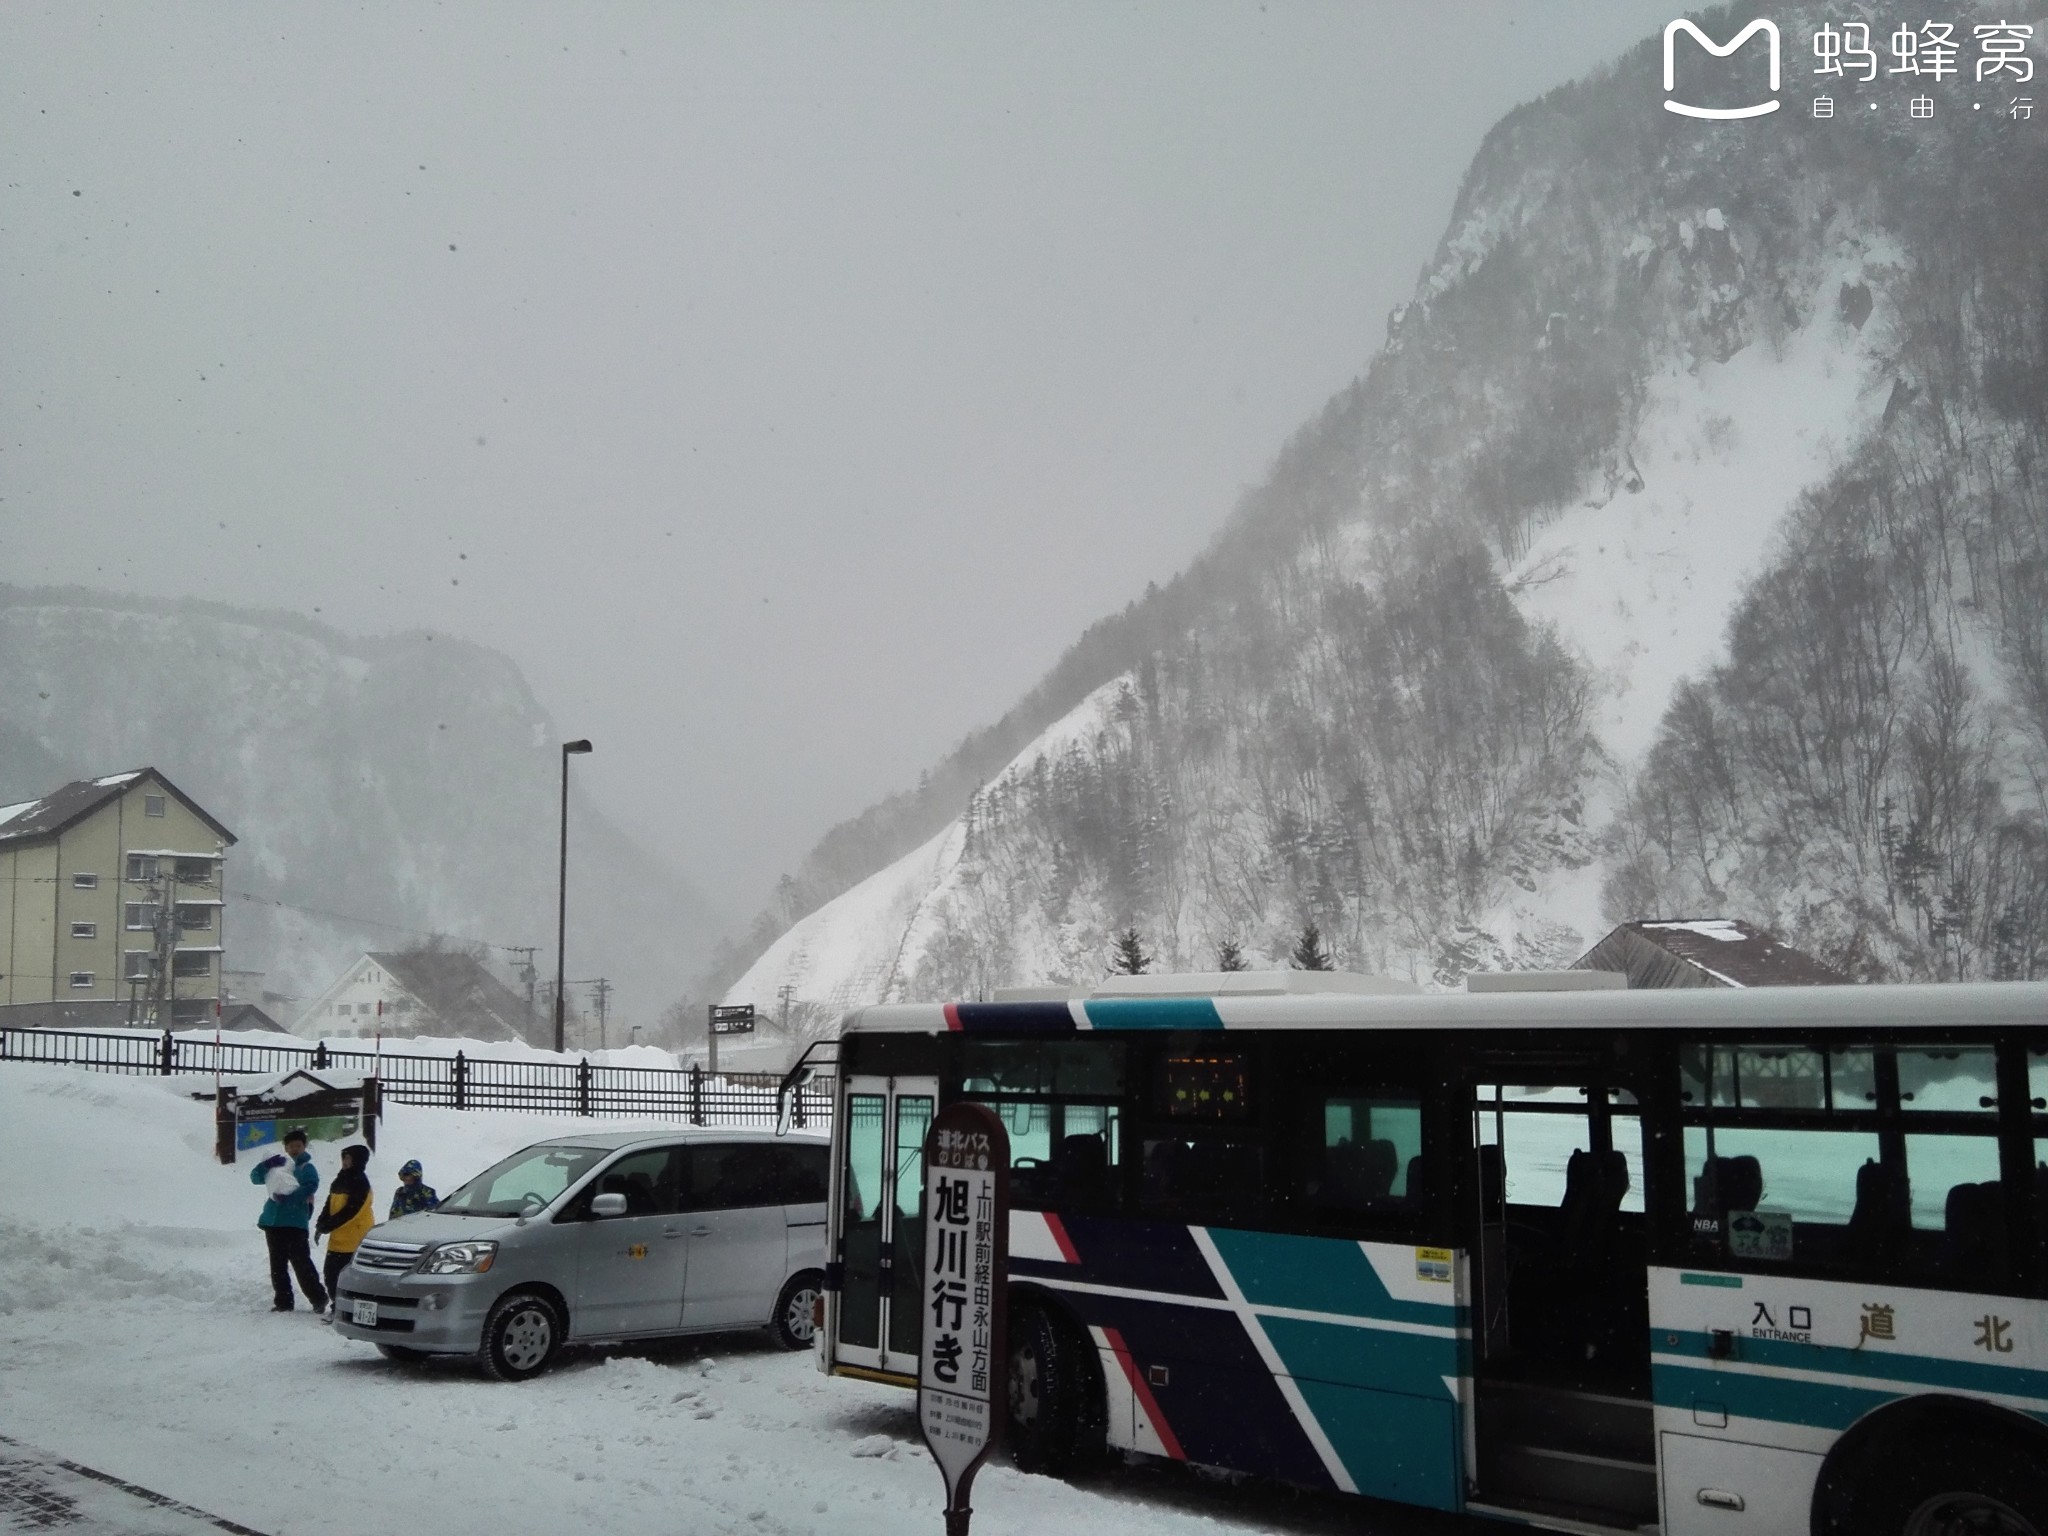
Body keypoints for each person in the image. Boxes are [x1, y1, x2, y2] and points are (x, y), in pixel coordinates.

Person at [251, 1127, 326, 1312]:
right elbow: (255, 1178)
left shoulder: (305, 1167)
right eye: (291, 1146)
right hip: (273, 1222)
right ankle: (283, 1302)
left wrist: (291, 1199)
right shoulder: (278, 1166)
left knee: (301, 1263)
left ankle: (318, 1297)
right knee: (277, 1265)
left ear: (304, 1147)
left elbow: (311, 1185)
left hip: (295, 1222)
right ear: (285, 1148)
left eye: (298, 1146)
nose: (294, 1149)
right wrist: (266, 1165)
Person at [314, 1144, 375, 1313]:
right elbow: (330, 1203)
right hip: (338, 1238)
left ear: (358, 1160)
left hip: (355, 1239)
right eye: (344, 1158)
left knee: (350, 1277)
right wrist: (321, 1223)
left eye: (349, 1158)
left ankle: (349, 1309)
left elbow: (352, 1211)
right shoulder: (340, 1179)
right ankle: (339, 1307)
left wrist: (329, 1225)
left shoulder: (360, 1182)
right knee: (331, 1275)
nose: (345, 1162)